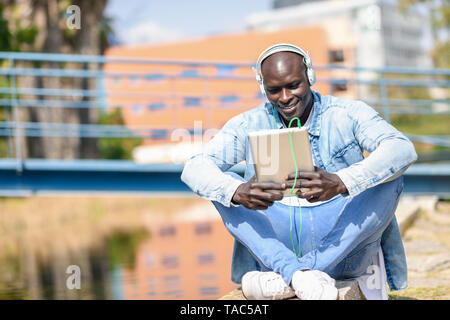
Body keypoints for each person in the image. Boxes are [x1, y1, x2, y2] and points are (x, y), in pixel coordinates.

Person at [181, 43, 417, 300]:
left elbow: (401, 148)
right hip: (281, 243)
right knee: (223, 186)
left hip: (342, 249)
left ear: (310, 77)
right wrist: (237, 191)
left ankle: (291, 276)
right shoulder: (246, 124)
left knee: (390, 179)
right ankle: (298, 275)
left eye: (294, 85)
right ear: (263, 88)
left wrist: (341, 182)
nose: (284, 97)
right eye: (273, 90)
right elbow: (195, 166)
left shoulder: (347, 113)